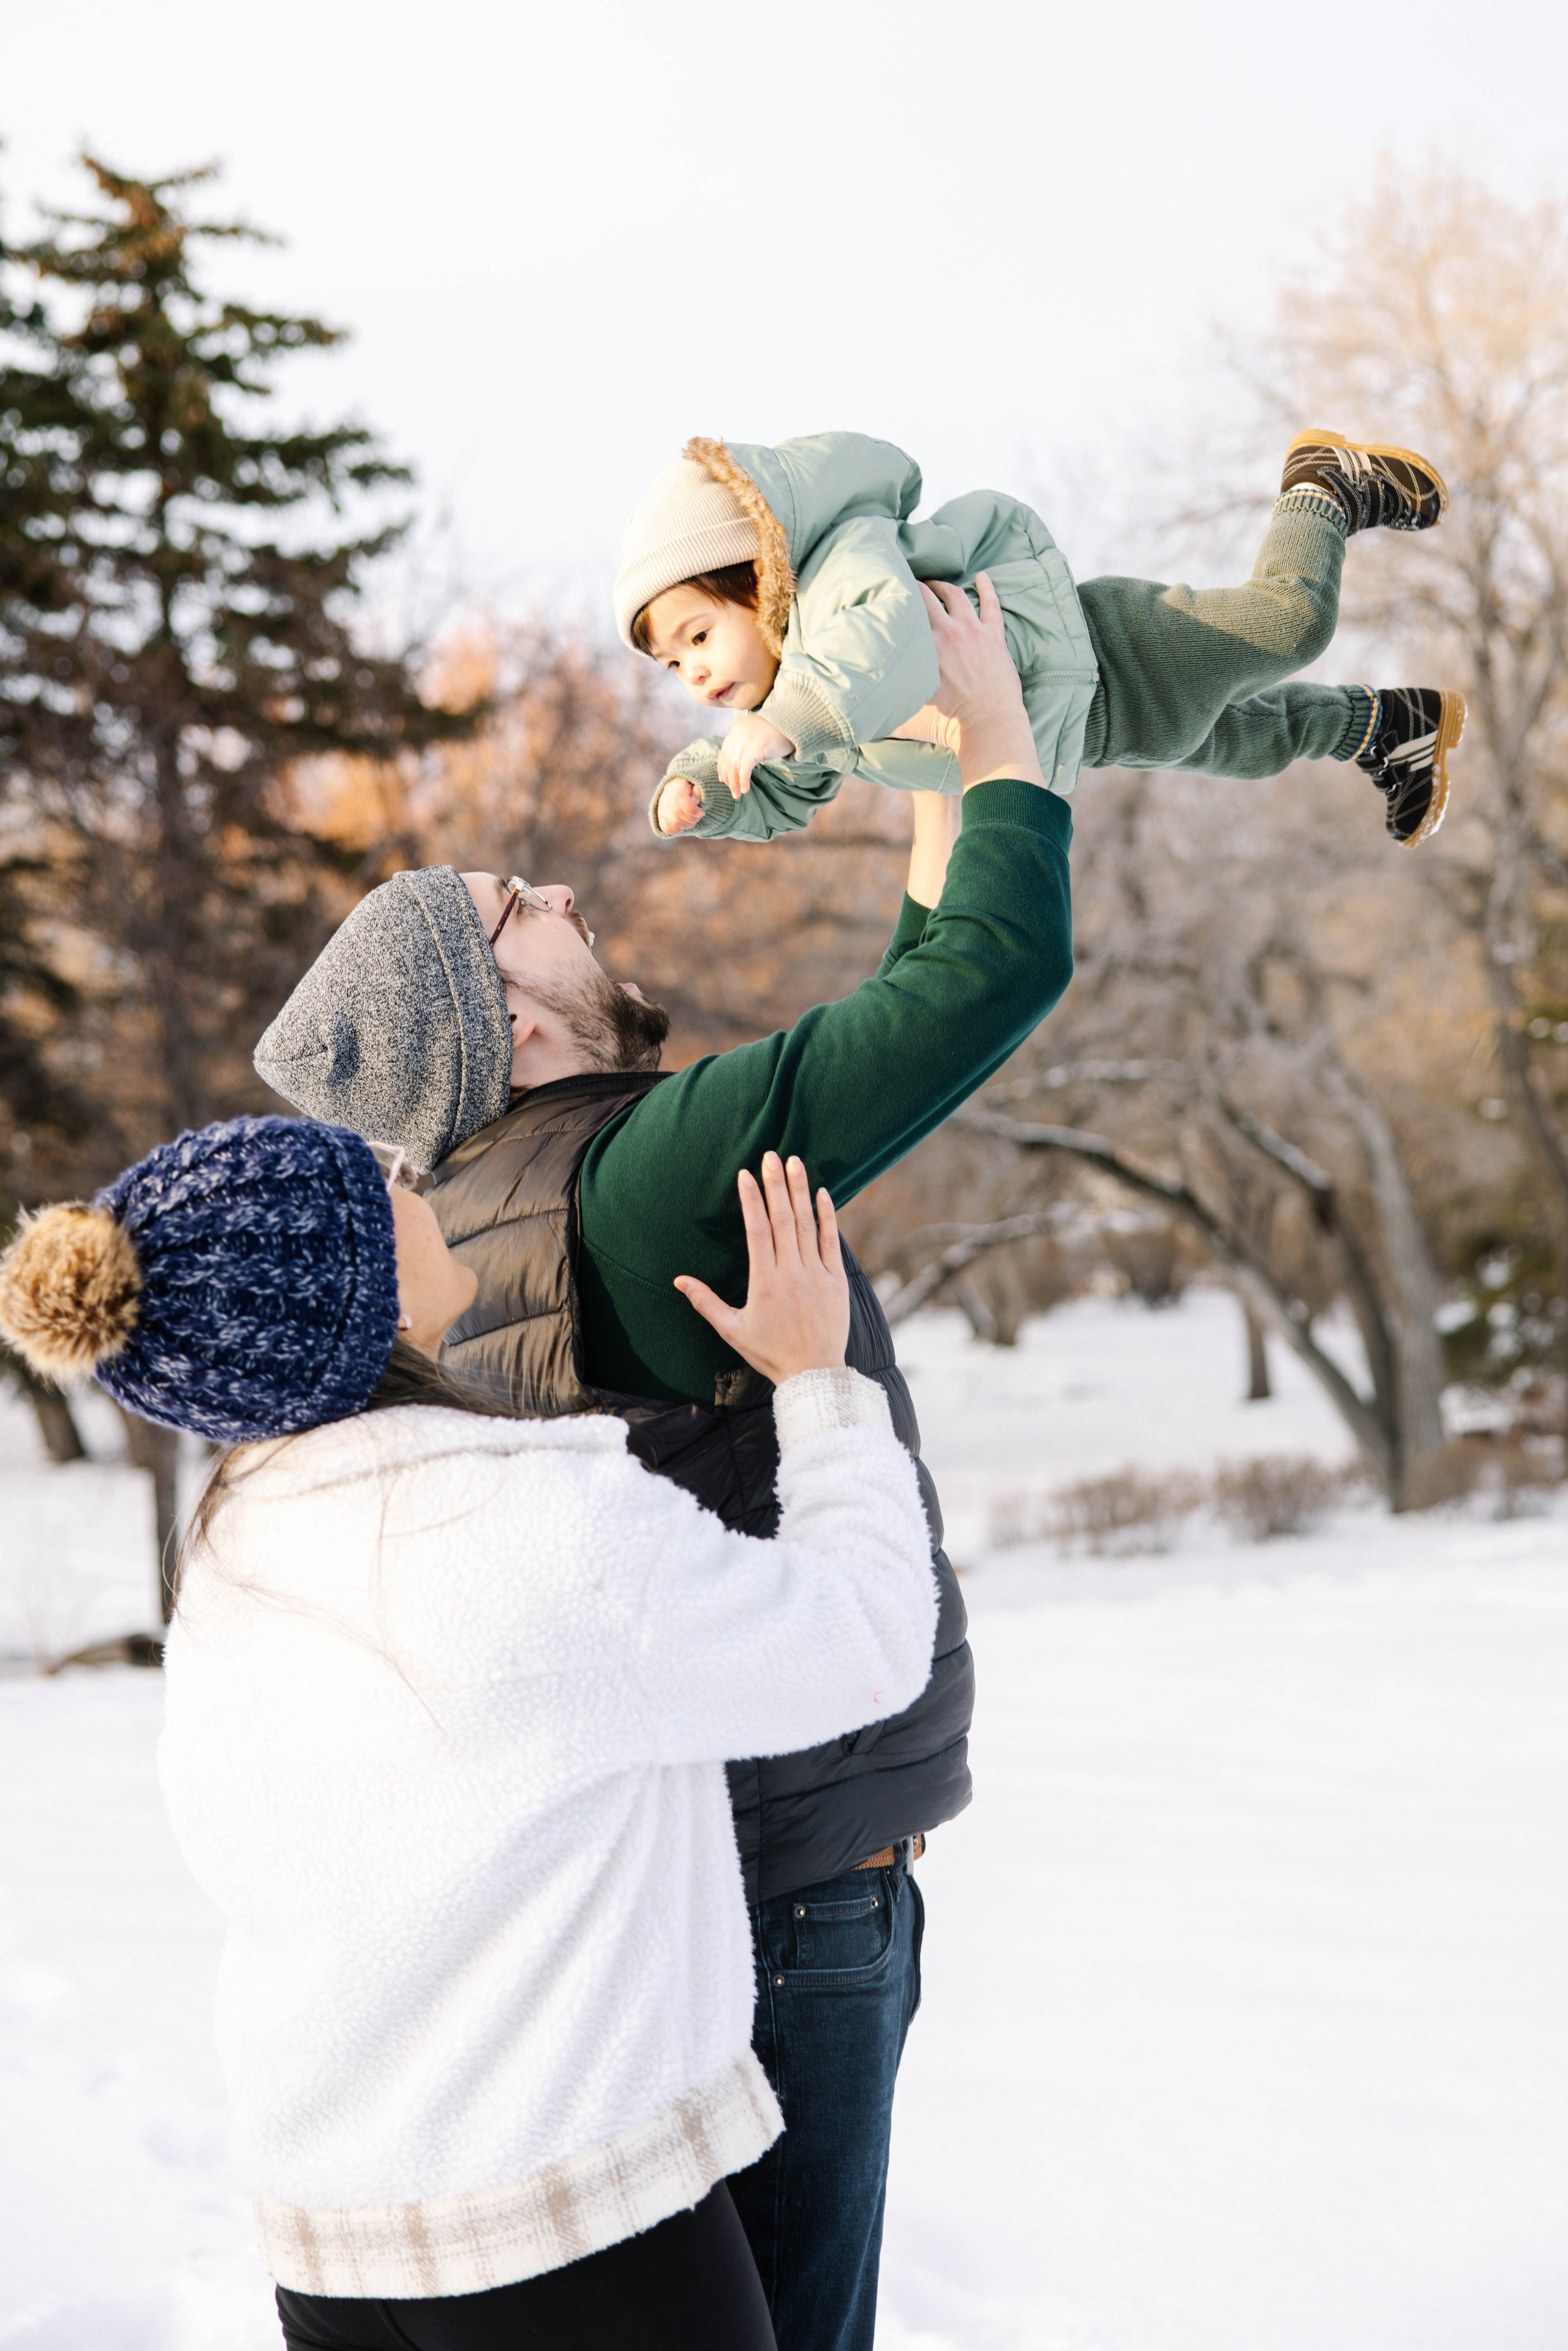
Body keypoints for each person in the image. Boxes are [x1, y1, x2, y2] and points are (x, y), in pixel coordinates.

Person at [251, 576, 1067, 2351]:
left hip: (691, 1899)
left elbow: (897, 999)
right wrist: (995, 739)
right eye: (513, 911)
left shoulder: (462, 1232)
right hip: (790, 1904)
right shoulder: (637, 1175)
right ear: (505, 1026)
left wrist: (927, 777)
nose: (559, 894)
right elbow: (980, 980)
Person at [0, 1115, 938, 2351]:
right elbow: (862, 1637)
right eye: (370, 1181)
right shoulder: (529, 1521)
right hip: (566, 2236)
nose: (407, 1167)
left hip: (333, 2249)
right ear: (353, 1290)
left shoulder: (234, 1553)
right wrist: (819, 1385)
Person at [618, 428, 1466, 850]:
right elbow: (782, 794)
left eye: (699, 635)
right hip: (1099, 729)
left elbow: (889, 644)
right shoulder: (802, 719)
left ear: (758, 580)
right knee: (1245, 742)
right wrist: (710, 793)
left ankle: (1325, 488)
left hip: (1113, 650)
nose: (693, 673)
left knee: (1289, 625)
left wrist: (786, 718)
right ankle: (1388, 729)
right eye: (673, 663)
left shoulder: (842, 575)